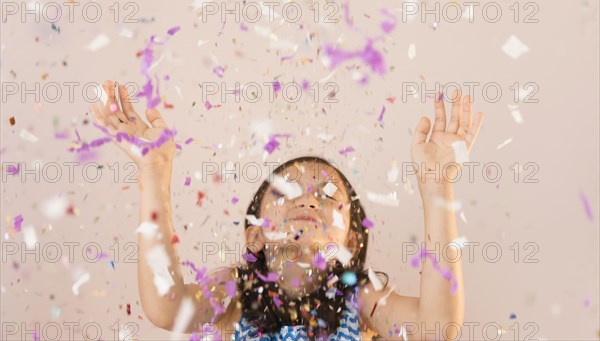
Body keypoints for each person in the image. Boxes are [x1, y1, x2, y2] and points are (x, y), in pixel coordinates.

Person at [90, 81, 483, 340]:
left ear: (351, 239)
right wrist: (155, 173)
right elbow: (166, 307)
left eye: (329, 195)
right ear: (254, 234)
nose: (309, 200)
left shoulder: (360, 297)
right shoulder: (233, 292)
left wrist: (437, 189)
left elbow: (434, 329)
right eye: (287, 190)